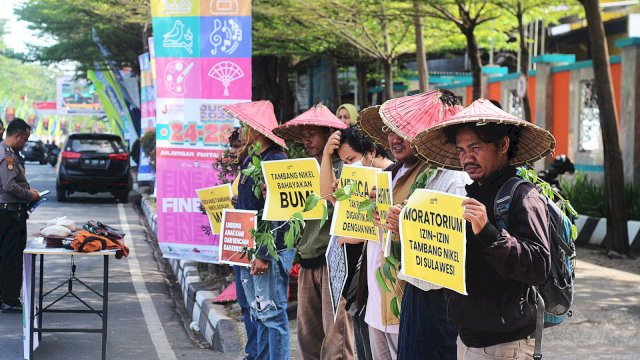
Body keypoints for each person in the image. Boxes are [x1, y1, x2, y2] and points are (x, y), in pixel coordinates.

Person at [412, 98, 554, 360]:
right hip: (465, 338)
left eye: (475, 147)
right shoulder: (467, 196)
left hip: (506, 344)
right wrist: (407, 229)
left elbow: (538, 266)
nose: (467, 157)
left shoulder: (523, 196)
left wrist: (488, 231)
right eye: (461, 150)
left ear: (503, 145)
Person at [358, 89, 469, 360]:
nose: (394, 139)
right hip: (382, 297)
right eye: (390, 131)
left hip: (418, 297)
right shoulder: (391, 174)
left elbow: (448, 242)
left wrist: (404, 227)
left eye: (403, 131)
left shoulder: (453, 178)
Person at [273, 104, 355, 360]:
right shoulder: (300, 170)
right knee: (308, 338)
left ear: (330, 134)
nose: (307, 140)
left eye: (313, 134)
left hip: (332, 261)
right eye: (304, 135)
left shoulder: (344, 168)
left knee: (337, 341)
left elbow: (339, 206)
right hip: (307, 258)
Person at [223, 100, 295, 360]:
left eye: (245, 125)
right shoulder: (253, 160)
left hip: (267, 250)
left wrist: (264, 254)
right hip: (248, 246)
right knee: (257, 312)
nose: (242, 131)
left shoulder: (275, 160)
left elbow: (277, 213)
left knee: (272, 315)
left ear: (257, 128)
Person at [320, 125, 394, 360]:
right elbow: (328, 196)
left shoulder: (391, 177)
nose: (349, 166)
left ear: (370, 152)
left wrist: (358, 236)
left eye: (352, 159)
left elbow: (388, 226)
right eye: (344, 162)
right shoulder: (357, 177)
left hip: (379, 282)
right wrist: (326, 155)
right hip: (359, 285)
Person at [0, 118, 40, 312]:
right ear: (17, 136)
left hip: (9, 211)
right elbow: (9, 185)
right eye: (24, 139)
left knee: (6, 256)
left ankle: (6, 298)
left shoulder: (8, 152)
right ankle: (10, 299)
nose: (24, 143)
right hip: (10, 214)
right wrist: (29, 195)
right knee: (12, 257)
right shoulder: (7, 155)